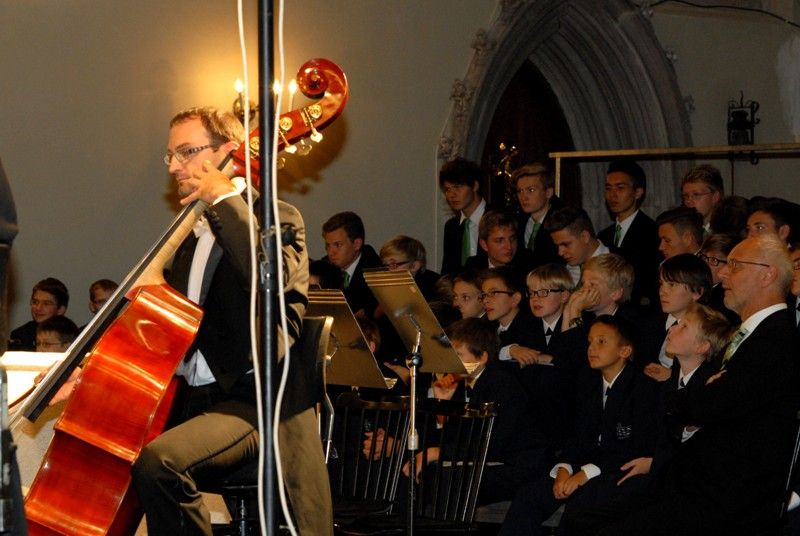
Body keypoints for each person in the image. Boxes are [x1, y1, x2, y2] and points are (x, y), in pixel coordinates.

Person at [127, 107, 331, 535]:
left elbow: (271, 288)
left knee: (160, 462)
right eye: (170, 155)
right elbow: (161, 331)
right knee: (119, 453)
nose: (174, 166)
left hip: (255, 402)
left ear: (228, 152)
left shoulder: (278, 218)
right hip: (192, 401)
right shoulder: (187, 237)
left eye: (186, 152)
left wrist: (223, 198)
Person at [603, 234, 800, 535]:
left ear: (767, 275)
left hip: (730, 501)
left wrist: (693, 397)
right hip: (702, 488)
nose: (722, 273)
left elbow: (711, 405)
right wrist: (704, 395)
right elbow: (710, 402)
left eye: (735, 265)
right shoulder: (752, 333)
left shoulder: (775, 339)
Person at [499, 315, 660, 536]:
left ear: (625, 350)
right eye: (590, 341)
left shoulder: (644, 389)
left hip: (618, 472)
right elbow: (576, 436)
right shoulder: (588, 384)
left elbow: (633, 448)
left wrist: (584, 474)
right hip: (584, 466)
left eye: (602, 341)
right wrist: (564, 468)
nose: (592, 348)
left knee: (581, 506)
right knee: (530, 495)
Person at [598, 160, 660, 307]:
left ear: (638, 192)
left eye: (620, 188)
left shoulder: (652, 232)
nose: (612, 195)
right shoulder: (603, 235)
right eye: (608, 188)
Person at [321, 211, 381, 318]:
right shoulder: (325, 268)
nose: (331, 252)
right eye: (328, 246)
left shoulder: (376, 274)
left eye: (337, 245)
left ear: (357, 244)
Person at [439, 158, 488, 276]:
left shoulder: (498, 217)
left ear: (475, 186)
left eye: (457, 187)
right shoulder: (451, 226)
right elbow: (448, 271)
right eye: (447, 189)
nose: (452, 195)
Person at [512, 163, 563, 267]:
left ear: (548, 192)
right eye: (520, 191)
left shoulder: (562, 221)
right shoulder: (517, 221)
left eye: (530, 190)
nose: (523, 197)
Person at [545, 206, 609, 287]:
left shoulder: (616, 266)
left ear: (585, 237)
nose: (560, 253)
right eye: (557, 246)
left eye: (565, 244)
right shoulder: (566, 270)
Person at [9, 277, 70, 351]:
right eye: (35, 302)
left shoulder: (71, 334)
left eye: (46, 304)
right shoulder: (20, 335)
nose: (38, 308)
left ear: (60, 310)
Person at [680, 164, 724, 234]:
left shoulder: (730, 232)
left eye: (696, 195)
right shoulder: (681, 229)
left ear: (715, 197)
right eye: (686, 196)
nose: (689, 201)